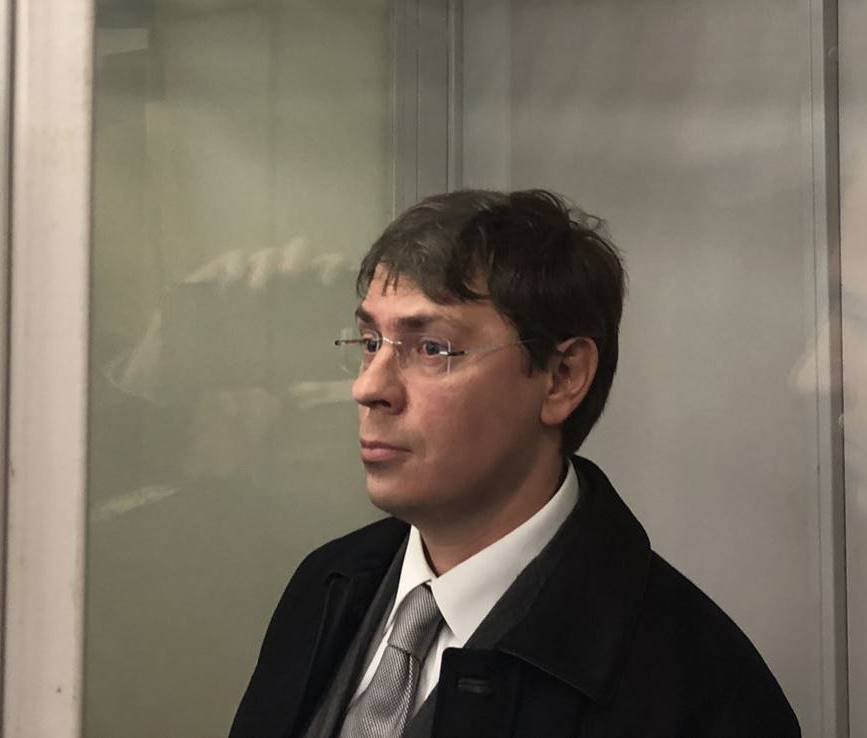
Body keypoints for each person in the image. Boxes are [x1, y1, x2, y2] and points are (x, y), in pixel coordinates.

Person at [229, 189, 799, 738]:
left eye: (432, 348)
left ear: (562, 377)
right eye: (371, 342)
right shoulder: (324, 585)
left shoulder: (703, 694)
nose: (369, 388)